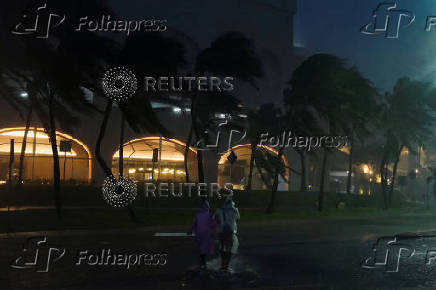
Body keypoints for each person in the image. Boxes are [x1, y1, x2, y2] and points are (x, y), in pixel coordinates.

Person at [214, 196, 240, 272]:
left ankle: (222, 265)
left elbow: (215, 219)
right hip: (230, 231)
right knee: (229, 248)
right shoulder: (234, 210)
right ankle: (226, 266)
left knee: (222, 247)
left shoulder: (219, 210)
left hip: (221, 231)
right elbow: (238, 218)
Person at [191, 201, 216, 270]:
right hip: (206, 234)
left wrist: (191, 230)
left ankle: (202, 263)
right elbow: (213, 225)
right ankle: (203, 263)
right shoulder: (210, 215)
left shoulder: (198, 214)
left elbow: (194, 223)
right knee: (204, 249)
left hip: (199, 234)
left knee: (202, 248)